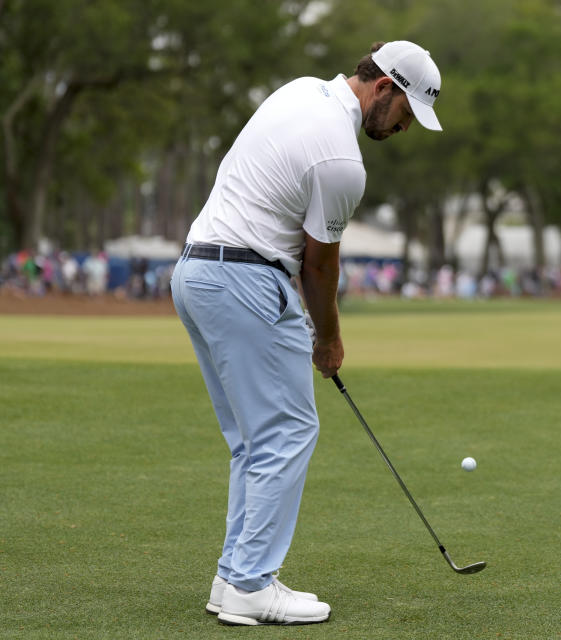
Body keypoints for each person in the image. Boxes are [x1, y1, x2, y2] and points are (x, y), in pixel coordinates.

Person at [169, 40, 442, 626]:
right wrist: (329, 339)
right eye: (407, 113)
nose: (404, 129)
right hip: (245, 277)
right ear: (385, 88)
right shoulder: (343, 161)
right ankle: (249, 584)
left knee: (254, 440)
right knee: (287, 432)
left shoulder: (298, 91)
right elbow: (319, 266)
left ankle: (233, 576)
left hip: (196, 272)